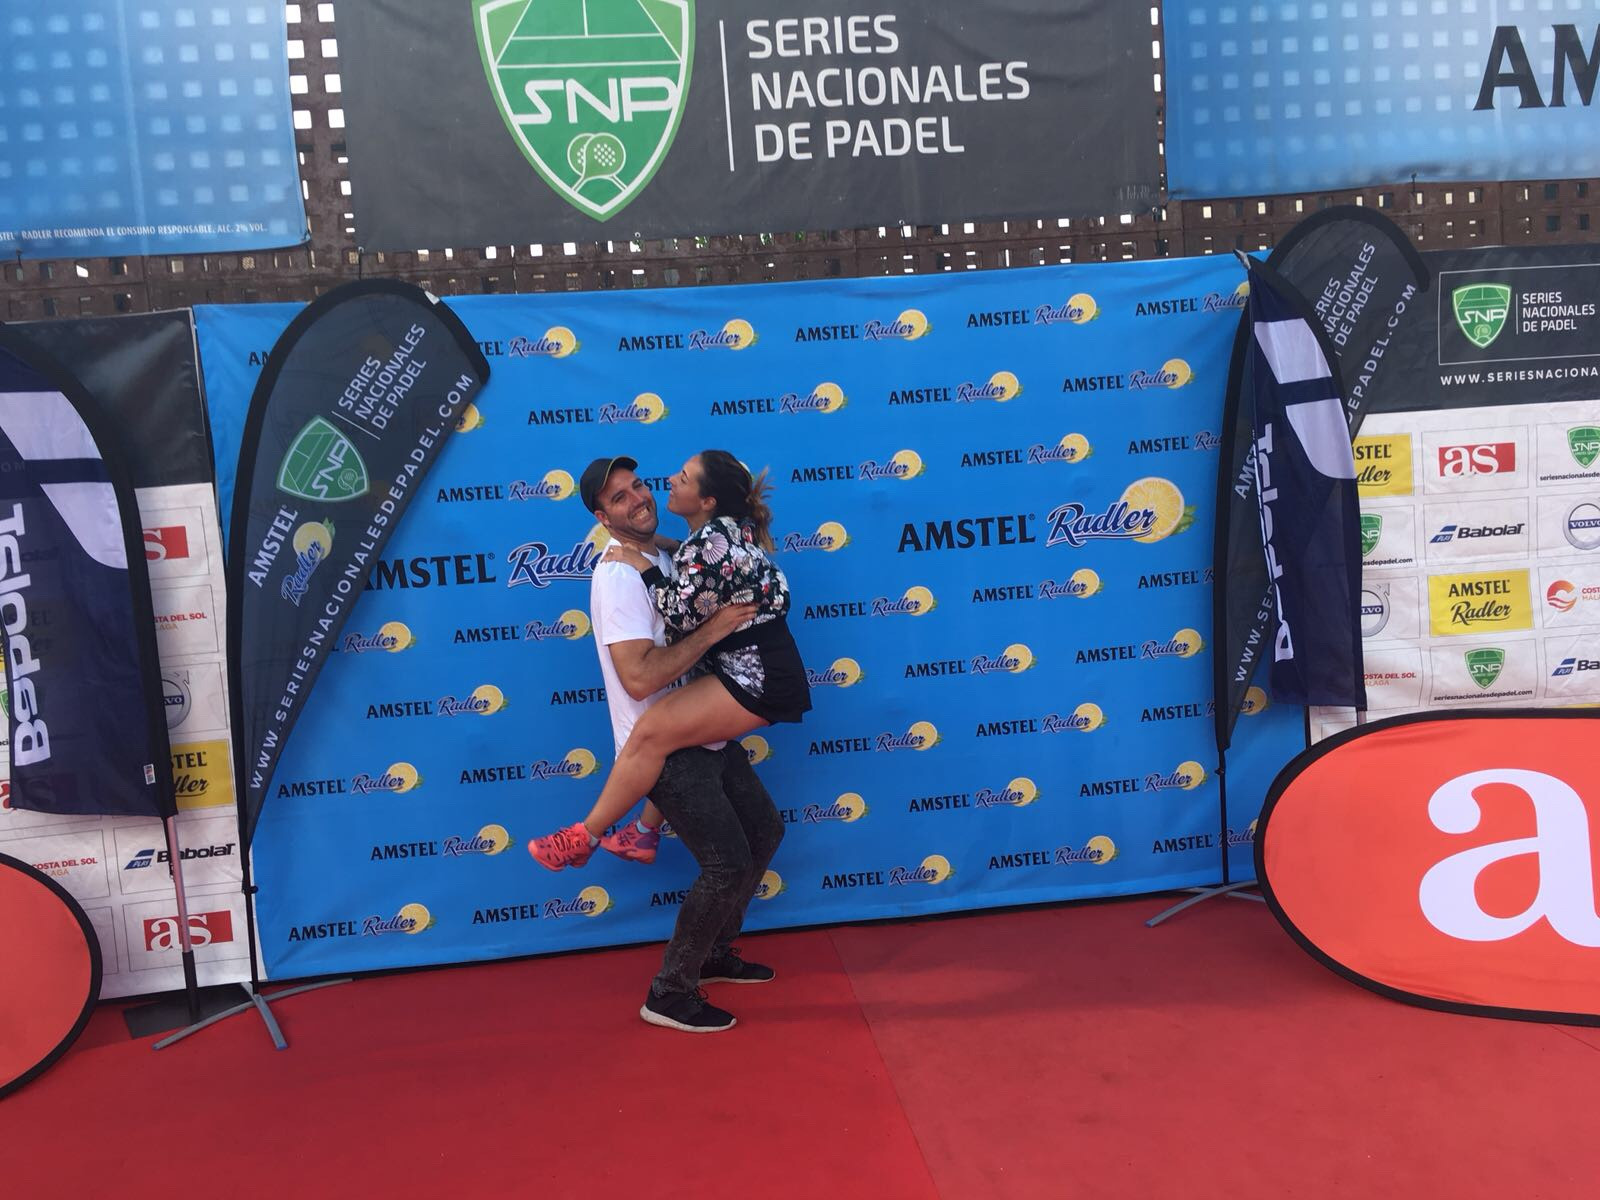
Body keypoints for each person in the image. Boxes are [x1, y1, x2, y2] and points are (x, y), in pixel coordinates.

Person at [535, 454, 789, 1032]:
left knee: (765, 831)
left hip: (701, 727)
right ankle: (670, 992)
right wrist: (715, 628)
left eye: (639, 486)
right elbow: (639, 678)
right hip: (664, 748)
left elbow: (689, 547)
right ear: (602, 517)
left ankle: (714, 952)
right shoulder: (618, 577)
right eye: (619, 498)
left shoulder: (665, 554)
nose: (639, 499)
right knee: (726, 864)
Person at [531, 450, 811, 870]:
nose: (667, 483)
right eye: (620, 497)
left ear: (707, 501)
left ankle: (585, 836)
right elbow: (705, 566)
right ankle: (641, 833)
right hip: (759, 673)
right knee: (666, 734)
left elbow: (680, 609)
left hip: (757, 677)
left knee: (651, 734)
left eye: (682, 477)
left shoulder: (696, 547)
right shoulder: (718, 535)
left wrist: (643, 562)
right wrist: (659, 549)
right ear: (603, 518)